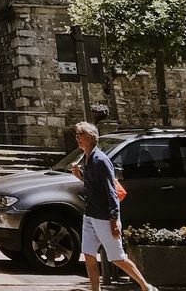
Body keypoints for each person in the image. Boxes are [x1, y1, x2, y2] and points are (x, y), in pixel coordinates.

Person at [71, 121, 156, 291]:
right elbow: (93, 185)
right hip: (90, 215)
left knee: (117, 258)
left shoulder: (101, 160)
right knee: (88, 255)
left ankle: (145, 286)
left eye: (80, 135)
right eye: (77, 135)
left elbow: (111, 191)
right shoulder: (87, 158)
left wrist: (114, 219)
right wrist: (81, 176)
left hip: (103, 217)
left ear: (90, 137)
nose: (77, 138)